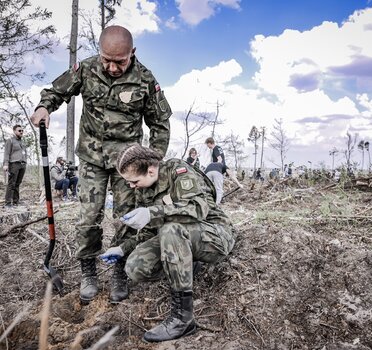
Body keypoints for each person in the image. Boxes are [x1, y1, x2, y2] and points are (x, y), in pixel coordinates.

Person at [30, 25, 172, 303]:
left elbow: (160, 124)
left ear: (133, 53)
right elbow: (56, 91)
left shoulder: (144, 79)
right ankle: (88, 271)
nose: (112, 67)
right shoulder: (86, 68)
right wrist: (44, 106)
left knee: (127, 216)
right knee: (88, 216)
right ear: (99, 52)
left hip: (128, 163)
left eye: (120, 61)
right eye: (107, 59)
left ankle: (119, 268)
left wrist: (152, 161)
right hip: (92, 158)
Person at [100, 144, 235, 342]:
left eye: (134, 181)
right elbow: (147, 231)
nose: (131, 186)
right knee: (135, 267)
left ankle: (183, 319)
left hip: (214, 233)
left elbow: (198, 209)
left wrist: (152, 212)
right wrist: (122, 248)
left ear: (151, 170)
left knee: (170, 229)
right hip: (181, 237)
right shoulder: (144, 190)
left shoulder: (179, 171)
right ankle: (187, 264)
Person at [3, 125, 27, 208]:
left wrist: (25, 162)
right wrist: (6, 164)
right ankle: (8, 203)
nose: (21, 132)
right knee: (11, 184)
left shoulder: (22, 142)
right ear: (14, 131)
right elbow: (6, 153)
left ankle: (16, 201)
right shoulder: (10, 141)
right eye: (19, 130)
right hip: (14, 164)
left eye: (22, 131)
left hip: (22, 164)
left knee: (17, 183)